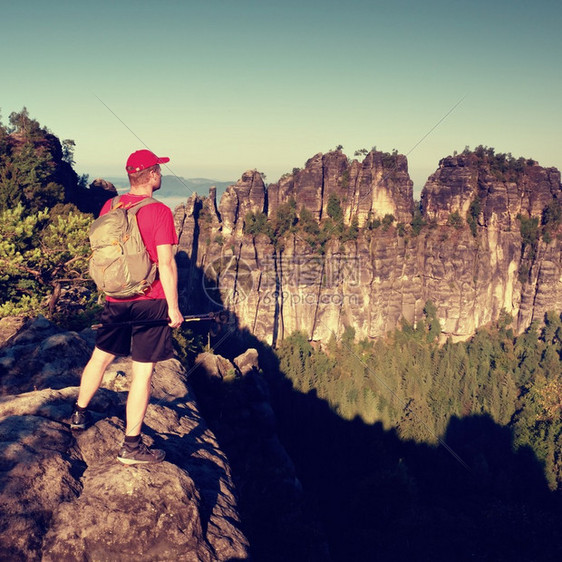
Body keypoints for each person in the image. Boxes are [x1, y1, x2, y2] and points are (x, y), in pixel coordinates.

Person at [70, 149, 184, 465]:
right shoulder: (160, 211)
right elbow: (166, 263)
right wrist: (173, 308)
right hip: (150, 300)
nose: (161, 174)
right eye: (158, 169)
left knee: (101, 357)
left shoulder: (111, 205)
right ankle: (131, 448)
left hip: (115, 298)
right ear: (149, 176)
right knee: (142, 373)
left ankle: (78, 414)